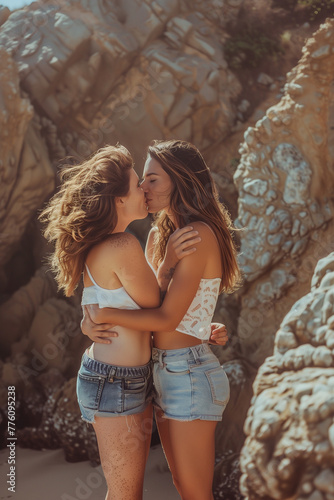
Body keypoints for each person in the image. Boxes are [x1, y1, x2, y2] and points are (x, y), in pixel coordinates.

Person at [40, 144, 228, 500]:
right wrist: (167, 266)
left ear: (180, 181)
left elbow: (161, 311)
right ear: (117, 200)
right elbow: (153, 304)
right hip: (138, 375)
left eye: (152, 179)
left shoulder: (180, 237)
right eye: (139, 181)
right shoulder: (146, 239)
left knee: (183, 492)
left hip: (168, 374)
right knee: (137, 494)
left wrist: (200, 326)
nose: (144, 187)